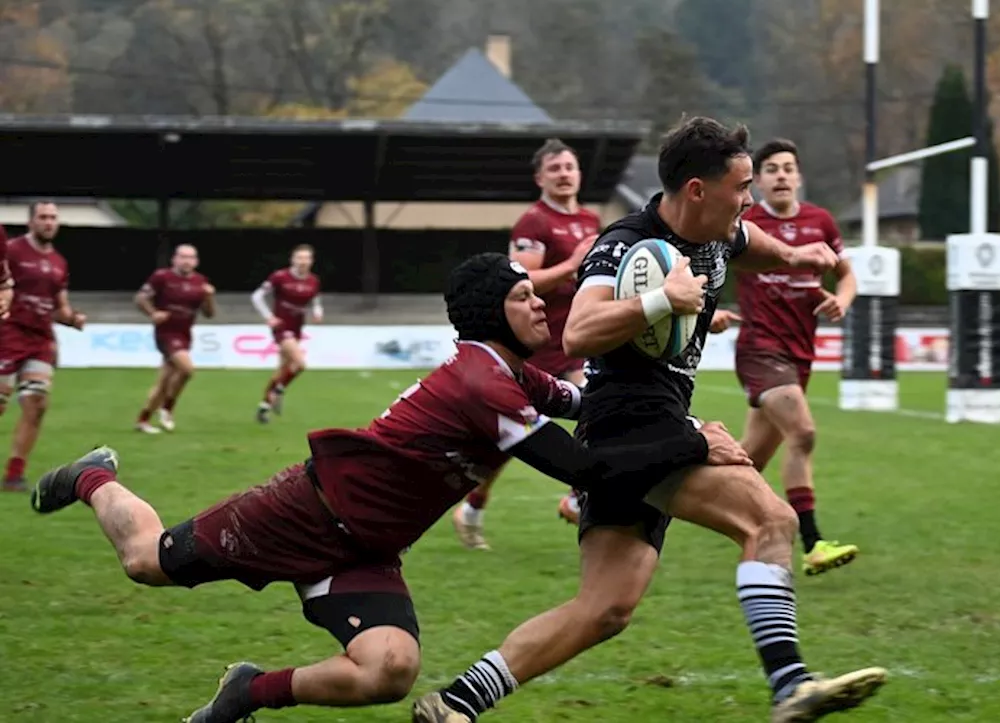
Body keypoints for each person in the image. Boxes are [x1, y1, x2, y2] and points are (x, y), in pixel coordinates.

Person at [28, 252, 749, 723]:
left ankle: (250, 690)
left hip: (366, 549)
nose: (543, 309)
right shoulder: (480, 382)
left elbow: (595, 408)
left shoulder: (508, 373)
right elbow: (583, 468)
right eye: (528, 297)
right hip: (300, 513)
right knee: (147, 561)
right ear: (494, 309)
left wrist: (672, 333)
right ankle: (95, 475)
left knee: (390, 670)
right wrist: (690, 440)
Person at [413, 118, 885, 723]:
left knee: (604, 609)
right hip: (629, 420)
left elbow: (752, 246)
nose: (750, 201)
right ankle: (790, 683)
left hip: (645, 420)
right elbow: (579, 331)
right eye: (741, 187)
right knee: (770, 521)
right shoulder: (626, 245)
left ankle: (455, 704)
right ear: (696, 189)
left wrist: (796, 253)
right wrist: (664, 301)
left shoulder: (721, 232)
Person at [710, 138, 859, 576]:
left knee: (745, 461)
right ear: (758, 180)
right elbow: (703, 259)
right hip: (760, 349)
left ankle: (664, 503)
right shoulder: (746, 221)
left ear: (798, 176)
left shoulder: (821, 221)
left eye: (788, 168)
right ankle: (813, 542)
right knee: (804, 433)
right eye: (771, 169)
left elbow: (847, 275)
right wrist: (707, 304)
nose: (780, 175)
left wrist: (843, 301)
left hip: (799, 353)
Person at [451, 139, 600, 550]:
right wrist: (573, 264)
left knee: (588, 411)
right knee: (510, 437)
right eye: (555, 168)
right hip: (538, 340)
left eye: (570, 166)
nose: (564, 173)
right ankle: (477, 508)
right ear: (540, 178)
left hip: (576, 336)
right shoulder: (533, 223)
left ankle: (573, 498)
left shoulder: (590, 219)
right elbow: (522, 281)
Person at [0, 201, 86, 492]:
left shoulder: (59, 263)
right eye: (43, 217)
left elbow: (59, 307)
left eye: (53, 217)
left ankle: (14, 473)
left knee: (36, 404)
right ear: (30, 222)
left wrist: (73, 319)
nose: (49, 222)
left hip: (40, 339)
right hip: (7, 333)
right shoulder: (11, 250)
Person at [134, 244, 216, 433]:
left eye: (191, 257)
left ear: (196, 261)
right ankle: (168, 408)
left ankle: (143, 419)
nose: (187, 261)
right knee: (187, 370)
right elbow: (140, 298)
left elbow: (209, 314)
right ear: (175, 259)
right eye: (183, 257)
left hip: (185, 334)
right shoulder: (162, 277)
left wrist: (209, 297)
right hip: (166, 333)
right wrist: (153, 313)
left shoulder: (200, 281)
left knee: (164, 381)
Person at [251, 244, 322, 423]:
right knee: (300, 363)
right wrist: (269, 317)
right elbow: (257, 296)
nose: (303, 261)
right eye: (299, 258)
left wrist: (317, 310)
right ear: (292, 259)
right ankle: (278, 390)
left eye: (306, 258)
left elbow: (315, 298)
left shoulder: (313, 280)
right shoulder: (280, 277)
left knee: (282, 370)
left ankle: (264, 407)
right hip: (282, 327)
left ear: (311, 261)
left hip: (297, 327)